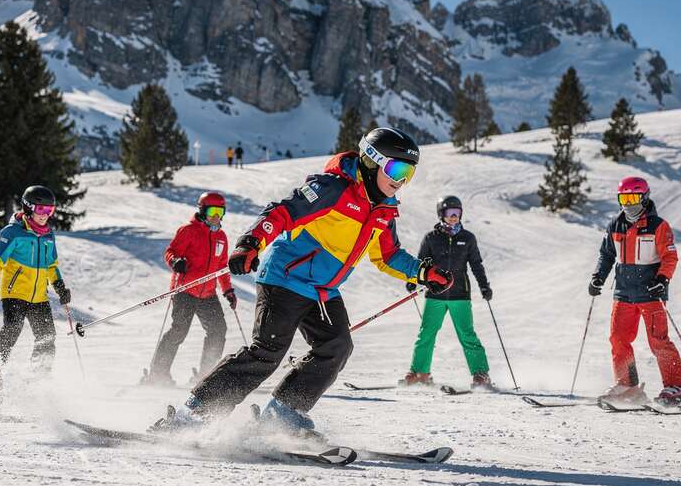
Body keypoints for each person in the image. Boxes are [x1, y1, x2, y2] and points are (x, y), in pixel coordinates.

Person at [153, 127, 452, 435]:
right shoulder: (333, 188)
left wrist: (423, 272)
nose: (401, 180)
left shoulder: (385, 211)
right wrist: (251, 242)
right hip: (284, 278)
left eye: (409, 173)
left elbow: (388, 256)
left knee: (336, 346)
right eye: (397, 169)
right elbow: (283, 212)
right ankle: (193, 415)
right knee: (266, 353)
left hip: (322, 291)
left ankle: (282, 412)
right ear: (372, 160)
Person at [588, 177, 681, 406]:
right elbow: (607, 255)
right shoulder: (615, 225)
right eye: (624, 198)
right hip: (623, 293)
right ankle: (628, 386)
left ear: (644, 197)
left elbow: (670, 256)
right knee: (618, 339)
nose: (628, 204)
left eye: (633, 198)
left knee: (658, 341)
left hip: (650, 293)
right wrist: (598, 277)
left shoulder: (658, 225)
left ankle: (676, 388)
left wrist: (662, 279)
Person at [0, 186, 72, 394]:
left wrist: (60, 288)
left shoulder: (48, 235)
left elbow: (51, 265)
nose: (45, 216)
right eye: (41, 210)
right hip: (14, 292)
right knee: (12, 330)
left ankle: (38, 378)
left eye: (50, 211)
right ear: (28, 207)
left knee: (47, 336)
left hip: (39, 296)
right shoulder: (13, 232)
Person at [400, 195, 495, 388]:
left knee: (467, 335)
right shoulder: (431, 238)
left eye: (457, 213)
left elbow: (476, 264)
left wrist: (484, 285)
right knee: (426, 333)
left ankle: (480, 374)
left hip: (460, 294)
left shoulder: (467, 238)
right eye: (449, 213)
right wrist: (412, 280)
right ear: (441, 215)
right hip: (435, 294)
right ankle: (420, 372)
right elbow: (421, 263)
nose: (453, 217)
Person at [145, 192, 236, 385]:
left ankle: (205, 376)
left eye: (220, 212)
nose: (216, 217)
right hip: (185, 290)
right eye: (212, 211)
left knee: (218, 330)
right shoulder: (188, 231)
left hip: (208, 293)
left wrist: (228, 290)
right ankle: (157, 374)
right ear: (202, 211)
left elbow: (221, 268)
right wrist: (176, 261)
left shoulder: (221, 237)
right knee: (179, 330)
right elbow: (170, 252)